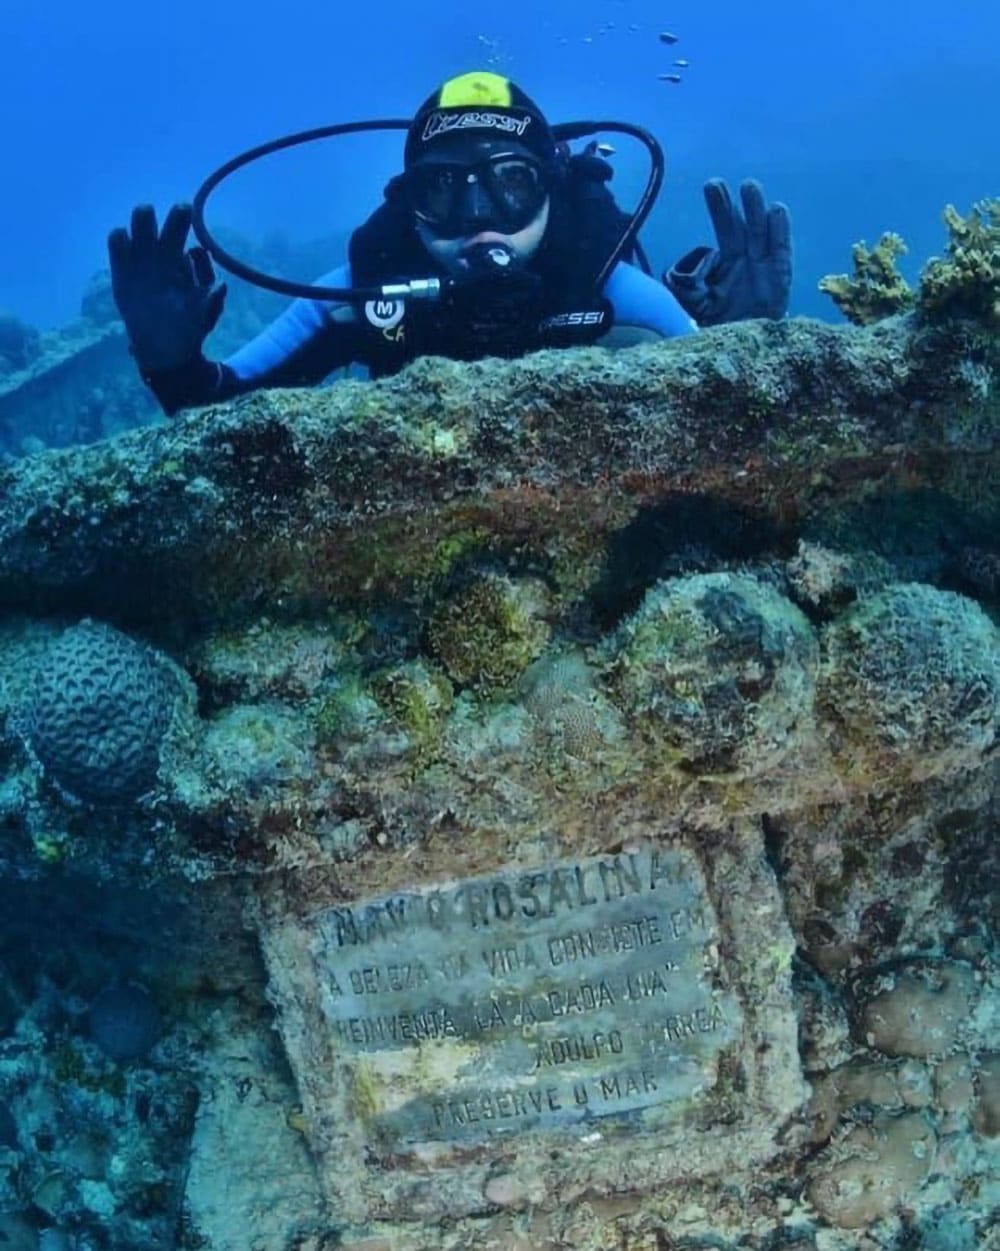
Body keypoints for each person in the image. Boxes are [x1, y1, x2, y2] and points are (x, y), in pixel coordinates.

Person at [108, 71, 792, 416]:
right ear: (411, 206)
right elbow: (218, 408)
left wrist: (746, 342)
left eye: (510, 184)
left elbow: (734, 401)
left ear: (552, 189)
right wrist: (171, 368)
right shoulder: (362, 288)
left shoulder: (605, 279)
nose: (477, 218)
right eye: (445, 190)